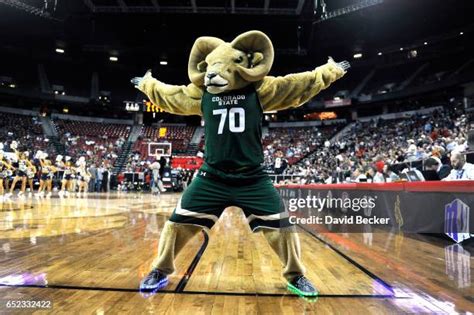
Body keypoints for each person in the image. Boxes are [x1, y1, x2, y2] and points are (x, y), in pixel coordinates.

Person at [132, 30, 348, 297]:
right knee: (176, 223)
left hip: (253, 178)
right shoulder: (202, 93)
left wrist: (329, 71)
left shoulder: (260, 89)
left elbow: (296, 85)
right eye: (211, 67)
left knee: (283, 227)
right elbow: (171, 95)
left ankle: (296, 276)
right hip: (212, 176)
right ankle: (160, 270)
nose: (213, 74)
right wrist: (147, 84)